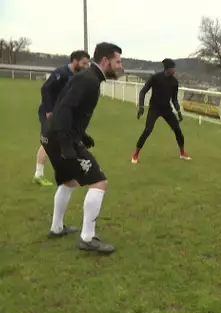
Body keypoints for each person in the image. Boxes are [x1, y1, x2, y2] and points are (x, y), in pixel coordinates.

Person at [42, 42, 123, 254]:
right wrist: (68, 144)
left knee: (69, 181)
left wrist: (82, 135)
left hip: (51, 136)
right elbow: (66, 108)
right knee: (99, 182)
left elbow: (64, 106)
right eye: (118, 62)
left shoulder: (85, 78)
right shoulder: (89, 80)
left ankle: (56, 228)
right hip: (61, 138)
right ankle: (87, 238)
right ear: (105, 61)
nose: (120, 66)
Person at [34, 50, 90, 186]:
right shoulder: (61, 73)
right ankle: (39, 174)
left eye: (88, 64)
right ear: (75, 61)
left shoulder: (78, 76)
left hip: (63, 115)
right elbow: (45, 89)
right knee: (48, 141)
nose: (86, 66)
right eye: (84, 63)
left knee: (62, 141)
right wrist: (48, 111)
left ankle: (68, 172)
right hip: (51, 113)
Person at [132, 58, 190, 164]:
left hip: (166, 109)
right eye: (173, 68)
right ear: (167, 69)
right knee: (148, 130)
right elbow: (143, 91)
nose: (174, 70)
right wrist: (141, 106)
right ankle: (135, 154)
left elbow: (174, 99)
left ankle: (182, 153)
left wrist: (178, 111)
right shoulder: (155, 78)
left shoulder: (174, 82)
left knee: (178, 130)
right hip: (154, 108)